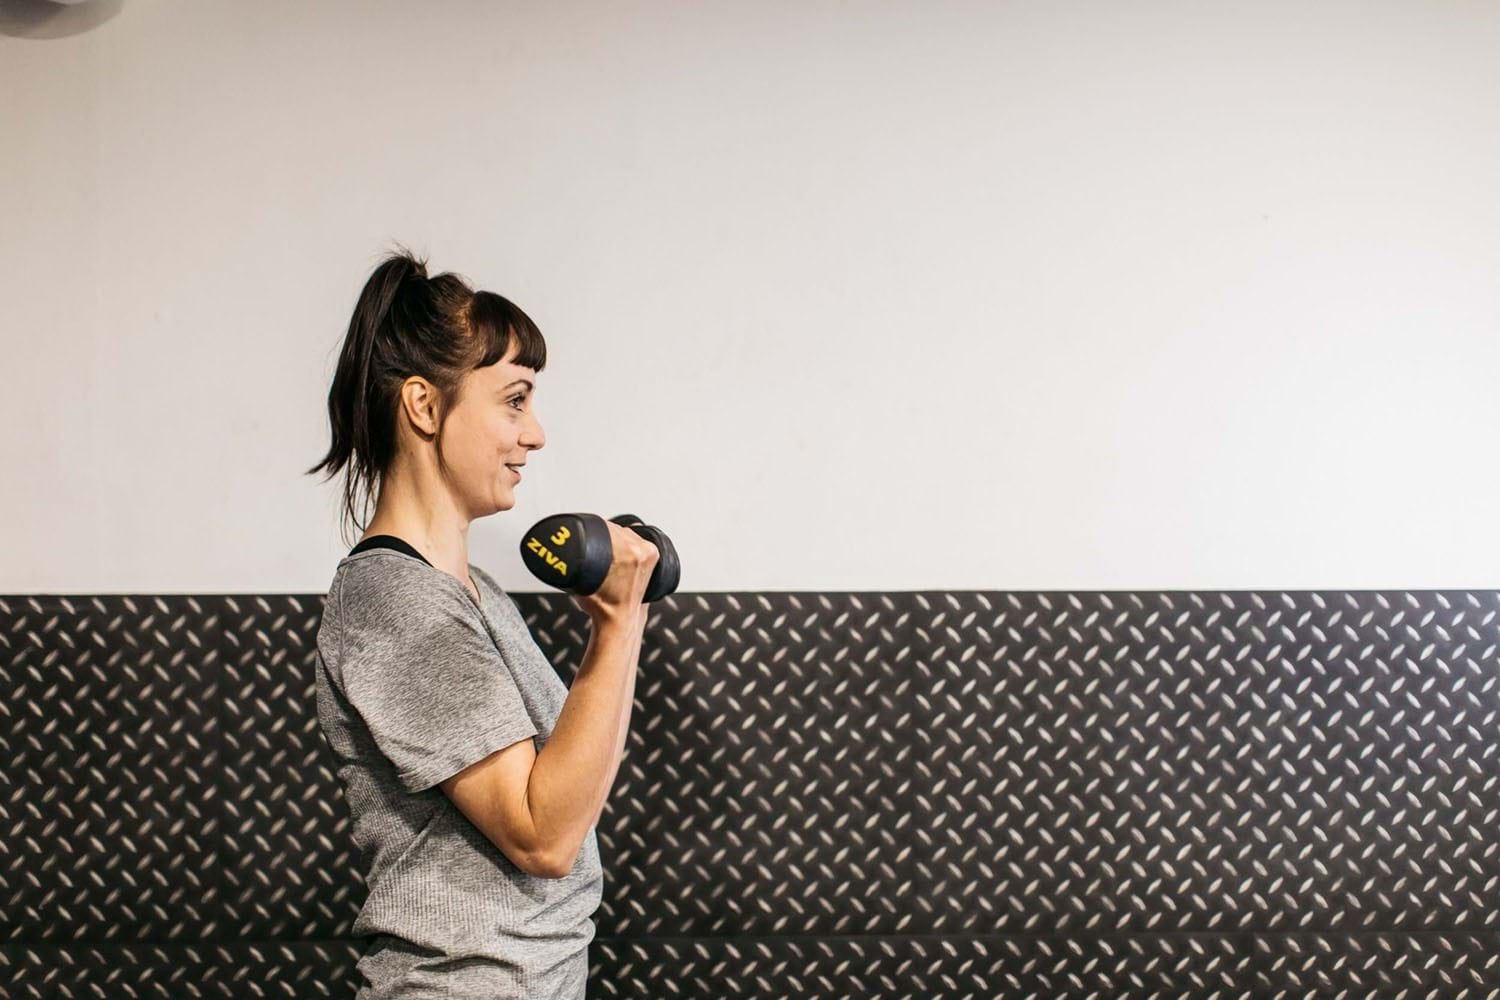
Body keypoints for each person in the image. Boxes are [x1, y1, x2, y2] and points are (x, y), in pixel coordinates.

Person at [305, 246, 657, 998]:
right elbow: (542, 835)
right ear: (425, 407)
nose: (535, 435)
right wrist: (617, 627)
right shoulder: (393, 602)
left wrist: (621, 621)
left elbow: (572, 789)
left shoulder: (477, 593)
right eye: (514, 400)